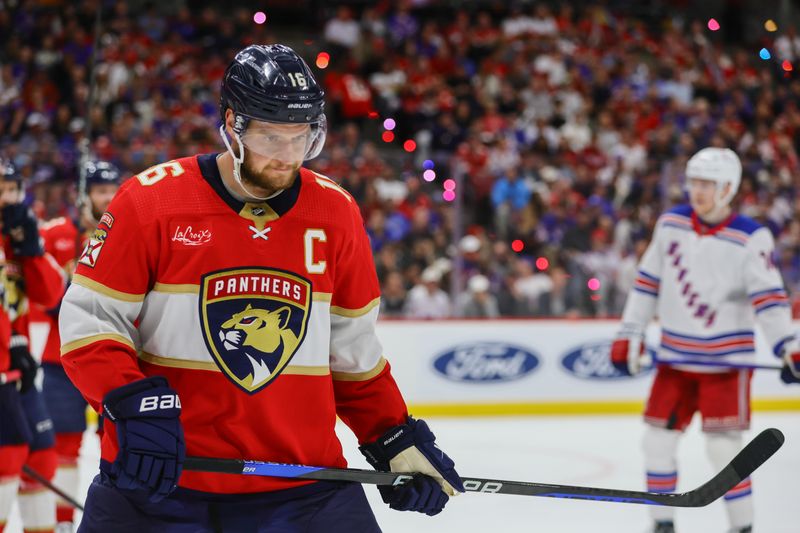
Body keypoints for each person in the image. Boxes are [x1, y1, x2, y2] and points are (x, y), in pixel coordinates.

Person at [58, 44, 463, 532]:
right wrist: (133, 404)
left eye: (301, 138)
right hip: (160, 479)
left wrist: (393, 436)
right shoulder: (150, 202)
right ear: (232, 124)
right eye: (272, 137)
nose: (287, 157)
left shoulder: (336, 212)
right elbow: (91, 323)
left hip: (306, 485)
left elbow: (351, 351)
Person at [611, 147, 800, 533]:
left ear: (728, 188)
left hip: (725, 367)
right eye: (694, 182)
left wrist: (788, 345)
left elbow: (768, 299)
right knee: (656, 445)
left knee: (724, 451)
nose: (696, 191)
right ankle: (662, 524)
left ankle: (742, 526)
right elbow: (647, 282)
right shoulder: (671, 224)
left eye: (707, 184)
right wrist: (631, 330)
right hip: (675, 362)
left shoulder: (750, 237)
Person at [36, 160, 121, 531]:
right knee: (64, 446)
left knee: (117, 445)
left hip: (115, 357)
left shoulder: (127, 232)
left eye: (112, 190)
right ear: (84, 195)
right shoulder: (56, 233)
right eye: (101, 191)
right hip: (60, 358)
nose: (108, 198)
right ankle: (63, 524)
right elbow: (45, 297)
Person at [0, 159, 67, 533]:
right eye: (0, 190)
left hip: (19, 366)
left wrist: (32, 251)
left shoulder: (19, 233)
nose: (7, 198)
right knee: (7, 457)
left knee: (41, 459)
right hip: (6, 362)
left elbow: (50, 294)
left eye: (12, 189)